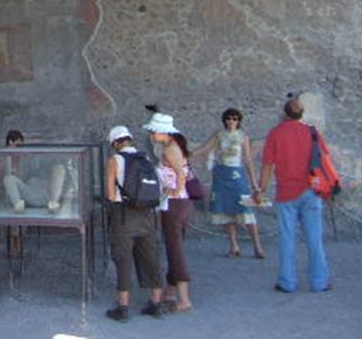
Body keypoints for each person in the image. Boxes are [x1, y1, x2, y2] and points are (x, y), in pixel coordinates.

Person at [254, 97, 331, 293]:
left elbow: (268, 166)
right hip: (311, 189)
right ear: (301, 113)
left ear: (284, 113)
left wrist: (261, 190)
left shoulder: (276, 134)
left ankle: (287, 282)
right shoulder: (312, 132)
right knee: (315, 239)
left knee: (287, 238)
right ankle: (320, 282)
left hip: (286, 192)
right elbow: (324, 157)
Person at [104, 125, 164, 322]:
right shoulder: (144, 158)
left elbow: (111, 194)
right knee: (150, 256)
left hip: (124, 214)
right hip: (146, 214)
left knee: (123, 258)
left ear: (115, 143)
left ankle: (123, 308)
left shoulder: (115, 160)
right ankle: (156, 303)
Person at [194, 107, 266, 258]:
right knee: (226, 211)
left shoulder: (243, 137)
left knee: (246, 211)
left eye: (234, 119)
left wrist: (254, 183)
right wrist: (189, 153)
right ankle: (234, 246)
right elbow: (205, 147)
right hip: (222, 173)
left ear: (238, 121)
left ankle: (258, 247)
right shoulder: (219, 135)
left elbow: (247, 159)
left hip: (237, 174)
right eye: (228, 118)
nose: (231, 121)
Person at [144, 112, 193, 313]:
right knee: (175, 245)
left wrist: (173, 189)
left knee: (175, 250)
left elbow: (181, 174)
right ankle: (171, 292)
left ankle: (184, 299)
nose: (152, 134)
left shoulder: (170, 149)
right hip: (179, 203)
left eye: (154, 131)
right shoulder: (173, 147)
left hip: (174, 203)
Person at [2, 130, 72, 214]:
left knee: (59, 169)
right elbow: (21, 177)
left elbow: (65, 179)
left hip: (48, 193)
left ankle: (54, 203)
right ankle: (17, 205)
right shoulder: (19, 158)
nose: (19, 149)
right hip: (29, 193)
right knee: (8, 179)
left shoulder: (54, 156)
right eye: (18, 146)